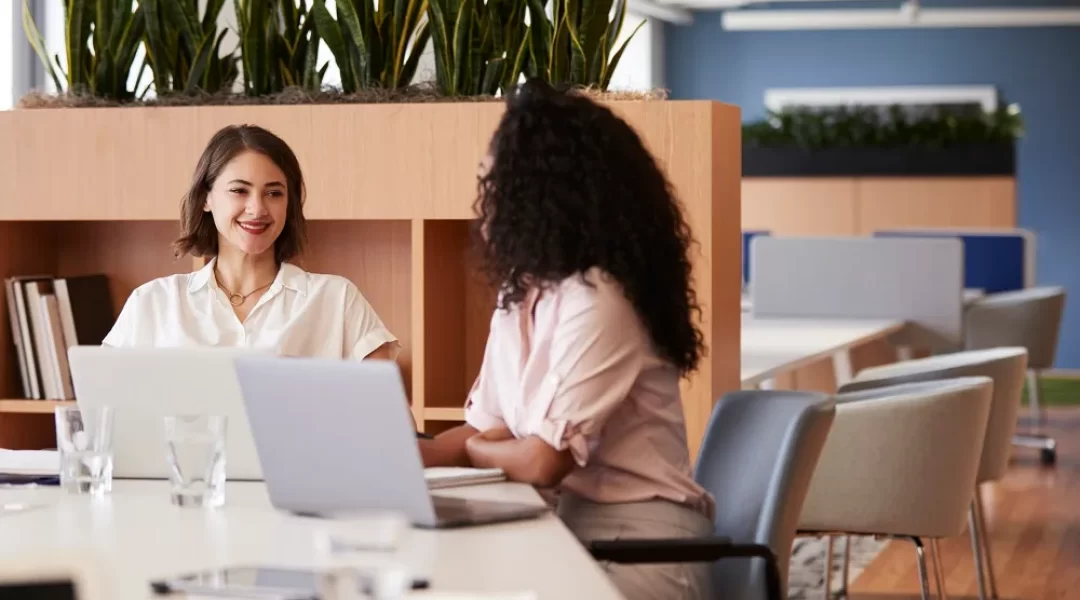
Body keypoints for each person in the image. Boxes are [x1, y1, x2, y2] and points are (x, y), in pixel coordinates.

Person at [419, 80, 716, 599]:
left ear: (544, 194)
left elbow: (540, 461)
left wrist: (473, 448)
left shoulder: (601, 297)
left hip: (642, 549)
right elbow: (486, 431)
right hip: (567, 531)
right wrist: (404, 453)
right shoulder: (523, 292)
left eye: (494, 185)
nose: (483, 203)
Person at [103, 124, 398, 361]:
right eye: (239, 191)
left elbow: (392, 425)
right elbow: (106, 418)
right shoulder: (153, 303)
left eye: (274, 193)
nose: (257, 209)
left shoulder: (337, 299)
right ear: (206, 198)